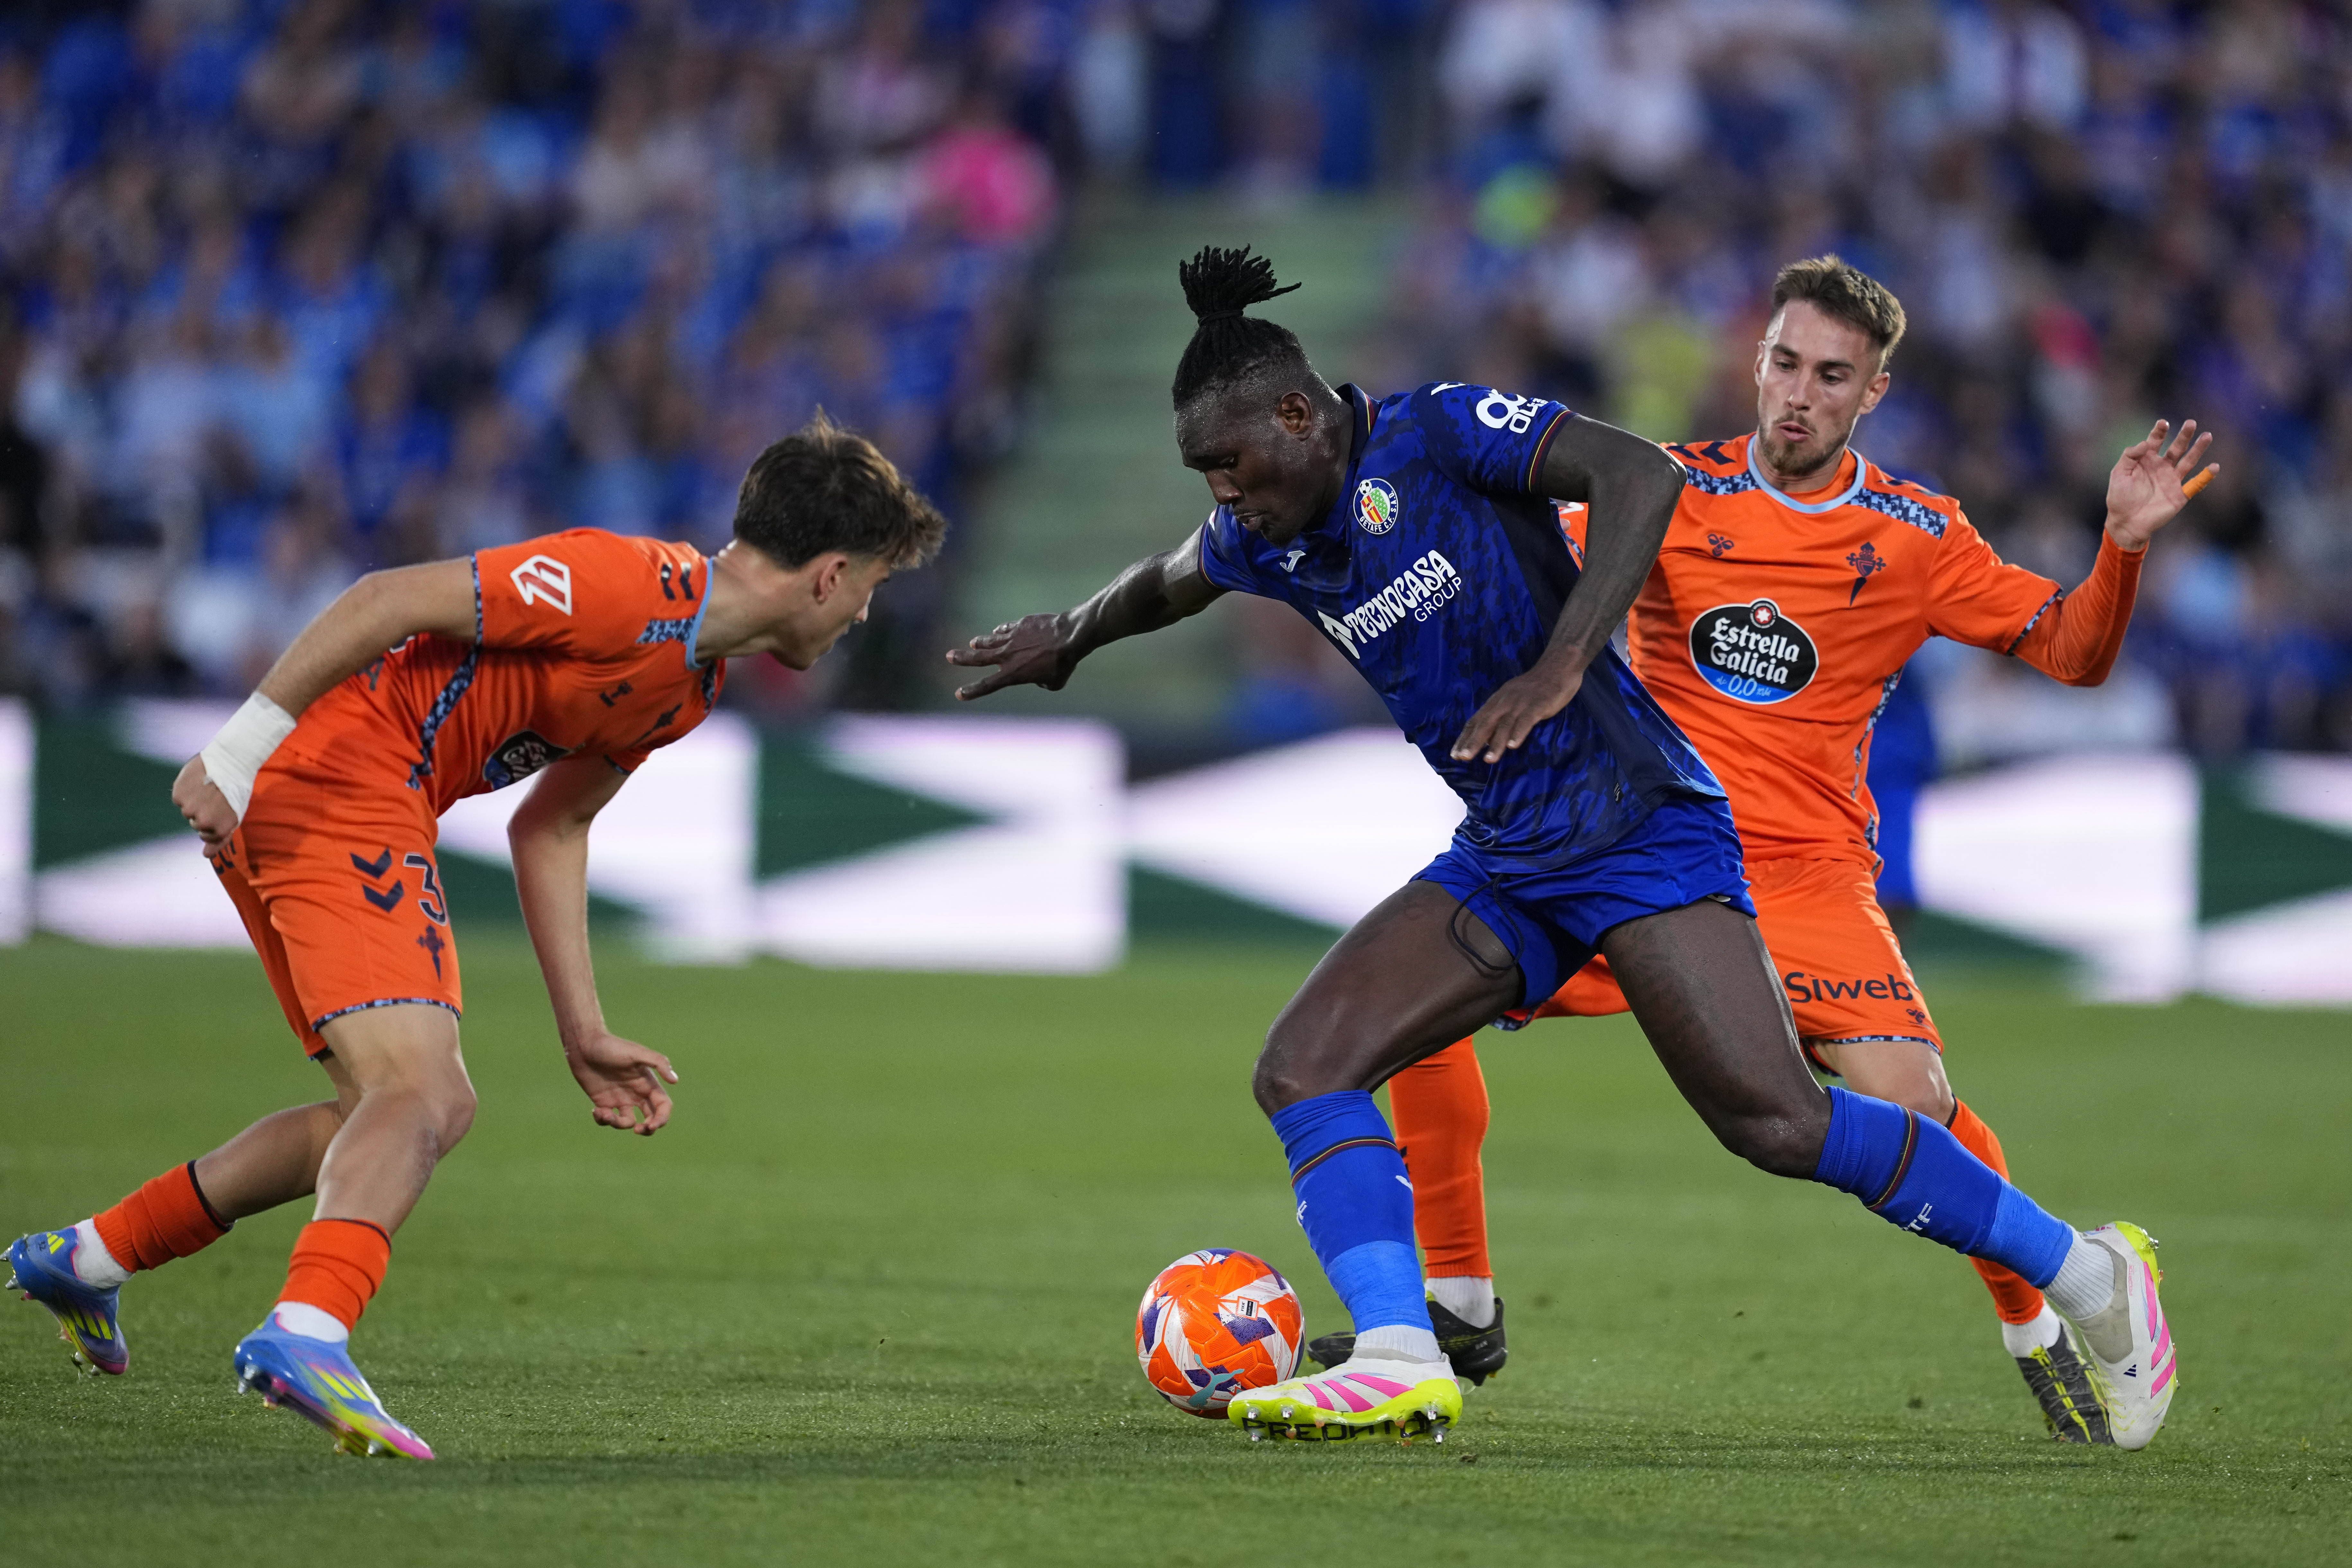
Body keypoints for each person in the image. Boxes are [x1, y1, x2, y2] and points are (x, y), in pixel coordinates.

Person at [948, 247, 2177, 1446]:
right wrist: (1071, 634)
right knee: (1308, 1064)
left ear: (1296, 412)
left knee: (1783, 1128)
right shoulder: (1269, 531)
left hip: (1643, 827)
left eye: (1231, 462)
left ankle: (2078, 1277)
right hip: (1517, 854)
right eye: (1204, 472)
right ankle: (1406, 1349)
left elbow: (1637, 475)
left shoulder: (1437, 433)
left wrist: (1561, 664)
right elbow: (1171, 579)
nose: (1224, 489)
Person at [1308, 256, 2209, 1448]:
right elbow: (1513, 560)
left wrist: (2123, 546)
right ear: (1759, 360)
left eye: (1832, 376)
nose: (1799, 394)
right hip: (1637, 850)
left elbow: (2071, 654)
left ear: (1872, 394)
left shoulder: (1915, 536)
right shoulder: (1665, 490)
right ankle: (1460, 1302)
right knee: (1412, 1028)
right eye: (1786, 363)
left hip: (1801, 872)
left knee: (1909, 1104)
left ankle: (2040, 1308)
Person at [7, 414, 946, 1460]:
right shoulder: (626, 585)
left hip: (351, 791)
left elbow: (553, 824)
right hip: (339, 772)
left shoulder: (688, 686)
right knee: (428, 1096)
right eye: (873, 582)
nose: (867, 611)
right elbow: (386, 599)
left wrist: (582, 1032)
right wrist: (238, 748)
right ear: (827, 575)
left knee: (377, 1118)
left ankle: (89, 1257)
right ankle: (308, 1332)